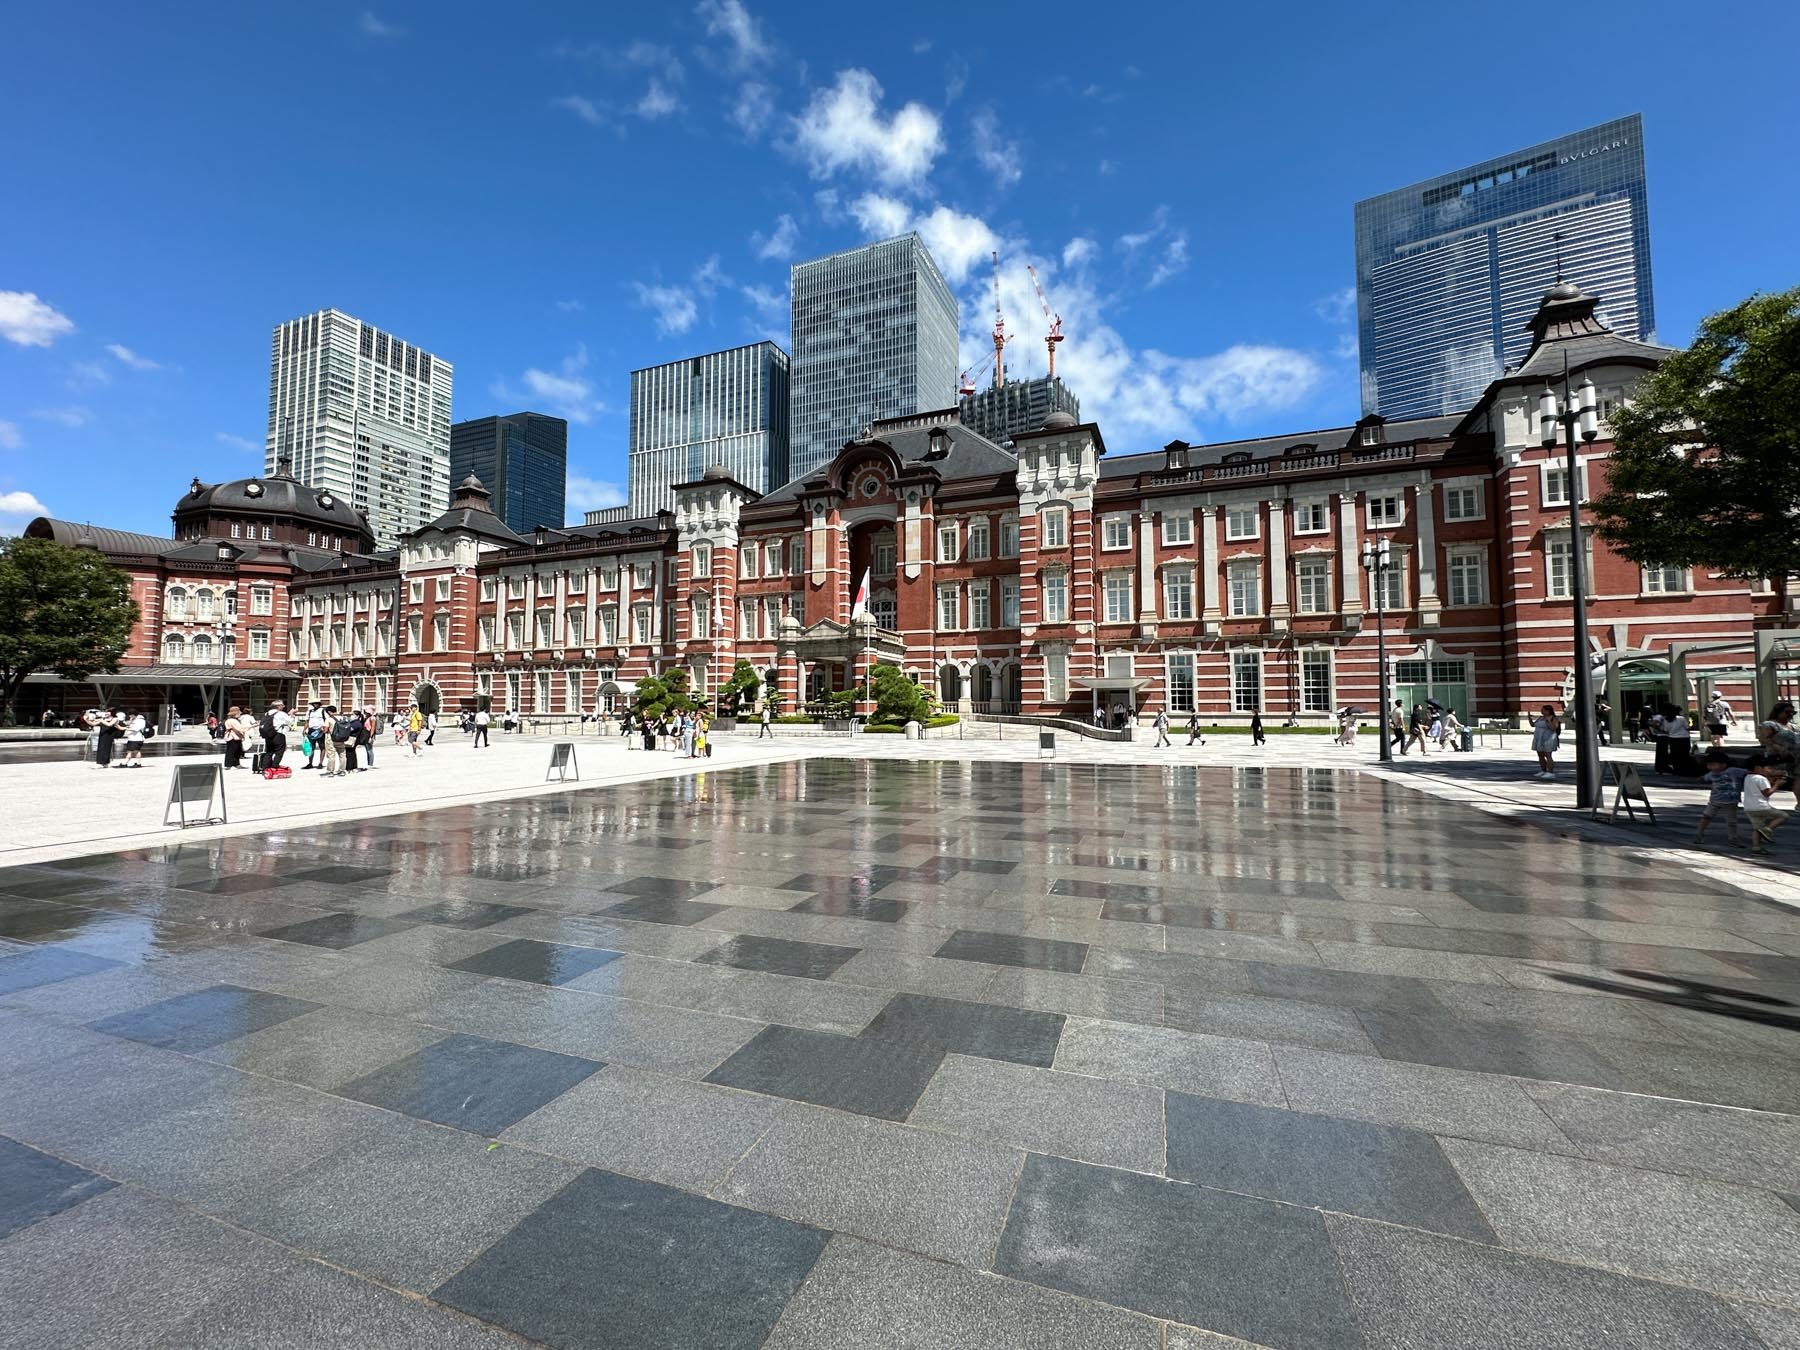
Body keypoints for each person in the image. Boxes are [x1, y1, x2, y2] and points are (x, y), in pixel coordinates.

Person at [1694, 749, 1748, 848]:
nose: (1710, 767)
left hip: (1731, 801)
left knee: (1731, 821)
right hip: (1714, 800)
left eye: (1713, 764)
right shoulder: (1711, 774)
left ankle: (1733, 838)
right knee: (1706, 816)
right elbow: (1704, 778)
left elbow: (1747, 773)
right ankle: (1699, 833)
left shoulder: (1733, 771)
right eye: (1709, 765)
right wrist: (1699, 779)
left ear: (1724, 764)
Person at [1743, 753, 1789, 855]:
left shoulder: (1748, 777)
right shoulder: (1761, 779)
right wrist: (1777, 784)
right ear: (1759, 768)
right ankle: (1768, 829)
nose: (1772, 771)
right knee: (1783, 816)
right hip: (1761, 806)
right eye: (1770, 768)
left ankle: (1756, 847)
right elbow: (1767, 793)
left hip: (1749, 808)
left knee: (1757, 828)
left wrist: (1772, 779)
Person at [1758, 701, 1800, 804]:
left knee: (1798, 779)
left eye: (1793, 713)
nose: (1790, 715)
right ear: (1778, 712)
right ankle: (1760, 803)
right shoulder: (1770, 724)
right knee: (1776, 781)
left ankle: (1799, 804)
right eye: (1787, 712)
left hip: (1796, 757)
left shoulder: (1794, 726)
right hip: (1779, 758)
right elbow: (1763, 739)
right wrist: (1778, 747)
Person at [1530, 704, 1561, 780]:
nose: (1542, 711)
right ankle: (1543, 770)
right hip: (1539, 738)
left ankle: (1550, 772)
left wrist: (1548, 721)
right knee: (1540, 754)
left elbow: (1553, 728)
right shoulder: (1540, 718)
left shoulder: (1553, 718)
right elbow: (1533, 725)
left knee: (1548, 754)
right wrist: (1529, 718)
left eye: (1543, 710)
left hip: (1549, 738)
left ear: (1548, 711)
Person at [261, 700, 291, 769]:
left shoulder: (267, 713)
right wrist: (292, 715)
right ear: (278, 706)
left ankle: (265, 767)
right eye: (282, 705)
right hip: (278, 734)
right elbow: (290, 721)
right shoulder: (281, 714)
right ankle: (274, 766)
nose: (283, 706)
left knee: (269, 751)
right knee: (279, 751)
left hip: (268, 735)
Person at [302, 701, 326, 769]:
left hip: (320, 730)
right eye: (314, 703)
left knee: (322, 747)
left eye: (317, 703)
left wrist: (324, 727)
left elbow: (327, 720)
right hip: (311, 730)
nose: (315, 704)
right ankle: (310, 763)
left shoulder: (323, 711)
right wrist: (304, 729)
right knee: (311, 747)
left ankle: (320, 763)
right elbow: (307, 721)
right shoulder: (309, 712)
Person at [222, 705, 246, 770]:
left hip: (237, 737)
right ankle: (229, 765)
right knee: (231, 752)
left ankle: (236, 764)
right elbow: (239, 728)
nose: (240, 714)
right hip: (232, 737)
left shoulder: (234, 720)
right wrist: (247, 728)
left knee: (237, 751)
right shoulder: (231, 720)